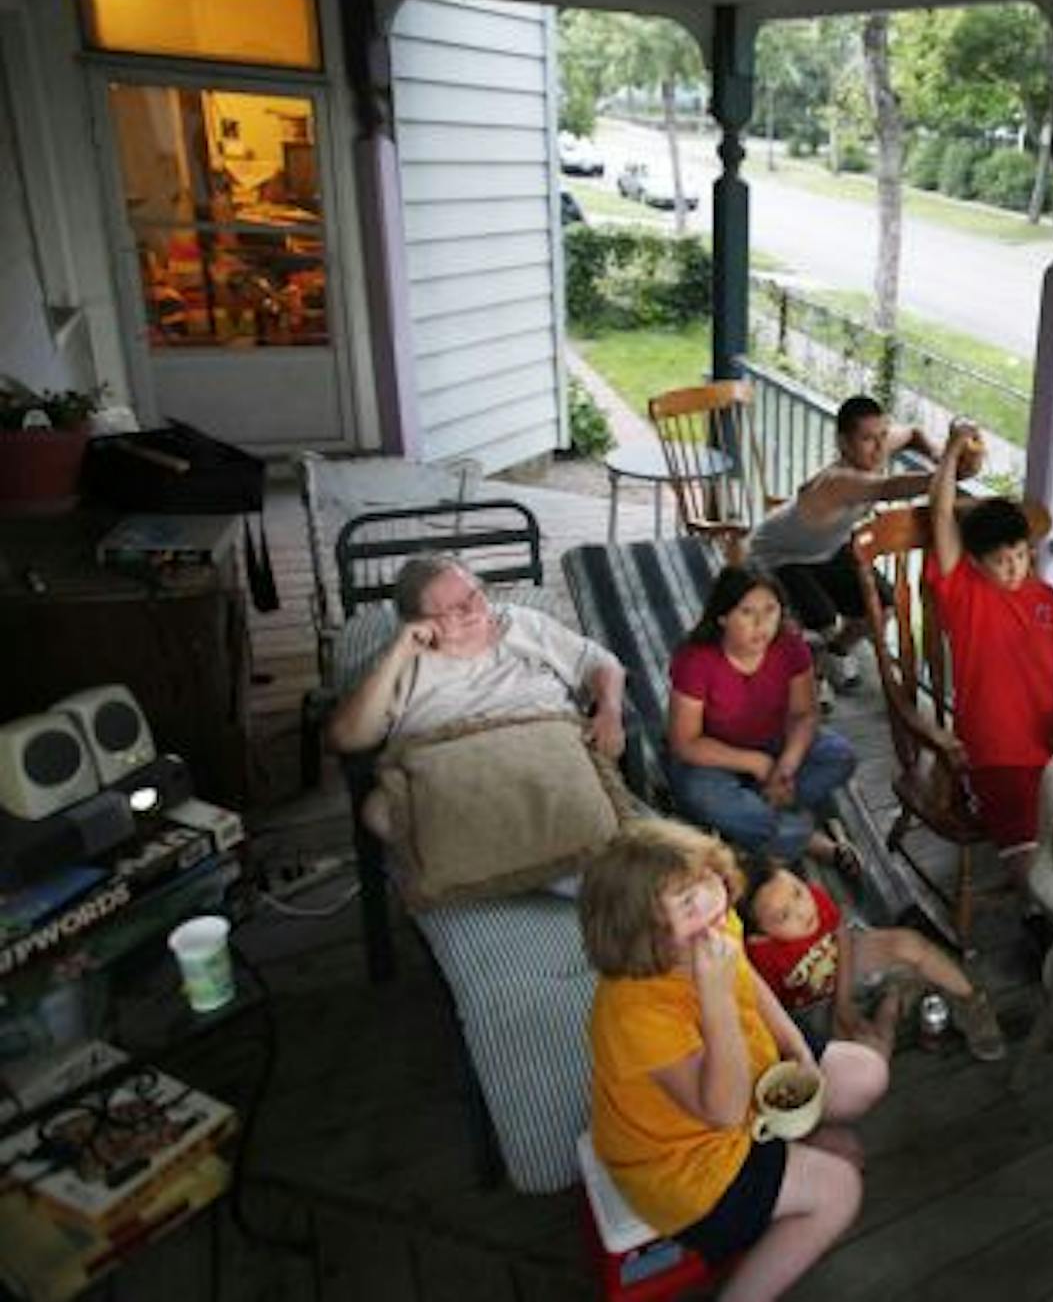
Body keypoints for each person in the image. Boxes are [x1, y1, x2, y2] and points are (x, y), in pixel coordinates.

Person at [580, 820, 888, 1297]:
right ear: (644, 933)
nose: (711, 899)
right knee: (841, 1189)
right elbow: (722, 1112)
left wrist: (798, 1051)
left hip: (751, 1083)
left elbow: (751, 983)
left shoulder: (712, 925)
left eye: (707, 879)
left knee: (867, 1074)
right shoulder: (633, 1011)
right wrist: (714, 994)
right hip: (688, 1164)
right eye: (686, 901)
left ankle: (796, 1151)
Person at [325, 554, 627, 834]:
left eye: (474, 594)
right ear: (420, 622)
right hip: (460, 776)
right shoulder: (405, 664)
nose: (475, 610)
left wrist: (610, 712)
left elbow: (601, 663)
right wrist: (398, 653)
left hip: (544, 756)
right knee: (380, 812)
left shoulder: (520, 623)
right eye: (455, 608)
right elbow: (347, 737)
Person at [924, 421, 1053, 868]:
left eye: (1021, 555)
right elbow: (939, 514)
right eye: (1001, 562)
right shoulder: (964, 593)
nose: (1016, 568)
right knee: (1029, 860)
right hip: (999, 754)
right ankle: (1042, 921)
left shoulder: (1046, 597)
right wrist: (954, 449)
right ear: (974, 563)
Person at [747, 395, 966, 691]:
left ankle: (833, 653)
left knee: (882, 607)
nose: (879, 448)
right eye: (867, 439)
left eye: (883, 436)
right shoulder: (838, 481)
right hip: (777, 556)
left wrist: (938, 453)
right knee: (821, 621)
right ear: (844, 443)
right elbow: (889, 488)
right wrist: (951, 466)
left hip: (828, 548)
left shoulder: (876, 447)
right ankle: (808, 675)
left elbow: (913, 433)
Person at [667, 565, 862, 874]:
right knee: (700, 794)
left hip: (774, 742)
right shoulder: (696, 659)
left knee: (841, 756)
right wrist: (757, 764)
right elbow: (685, 743)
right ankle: (810, 839)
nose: (762, 624)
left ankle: (755, 817)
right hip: (711, 757)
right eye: (747, 612)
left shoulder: (789, 646)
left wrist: (786, 765)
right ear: (722, 617)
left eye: (770, 610)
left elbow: (804, 714)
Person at [739, 859, 1006, 1061]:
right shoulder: (761, 959)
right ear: (759, 937)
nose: (803, 910)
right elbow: (773, 1014)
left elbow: (840, 933)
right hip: (812, 1004)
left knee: (908, 943)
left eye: (798, 892)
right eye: (784, 916)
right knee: (873, 1055)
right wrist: (834, 1019)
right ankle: (892, 1002)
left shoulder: (813, 899)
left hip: (842, 956)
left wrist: (843, 1002)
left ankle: (972, 1000)